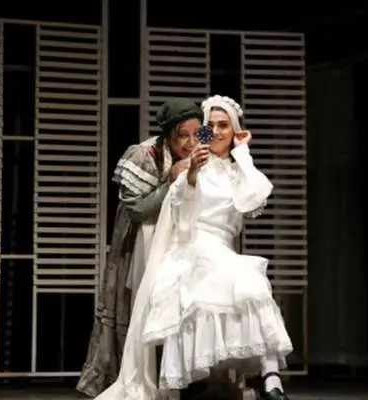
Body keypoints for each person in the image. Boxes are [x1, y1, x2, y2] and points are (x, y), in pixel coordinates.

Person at [93, 95, 293, 400]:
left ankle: (272, 380)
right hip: (190, 247)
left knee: (252, 284)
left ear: (234, 130)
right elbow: (181, 215)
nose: (217, 131)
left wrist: (243, 152)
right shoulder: (192, 165)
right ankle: (184, 385)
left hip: (222, 251)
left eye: (224, 125)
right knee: (212, 288)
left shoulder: (237, 170)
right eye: (210, 126)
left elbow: (254, 200)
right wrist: (191, 175)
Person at [77, 99, 204, 397]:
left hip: (177, 240)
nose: (190, 142)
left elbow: (213, 142)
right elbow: (137, 210)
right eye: (182, 135)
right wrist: (171, 181)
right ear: (168, 134)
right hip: (140, 243)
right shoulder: (144, 154)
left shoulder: (199, 147)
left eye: (196, 134)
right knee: (140, 308)